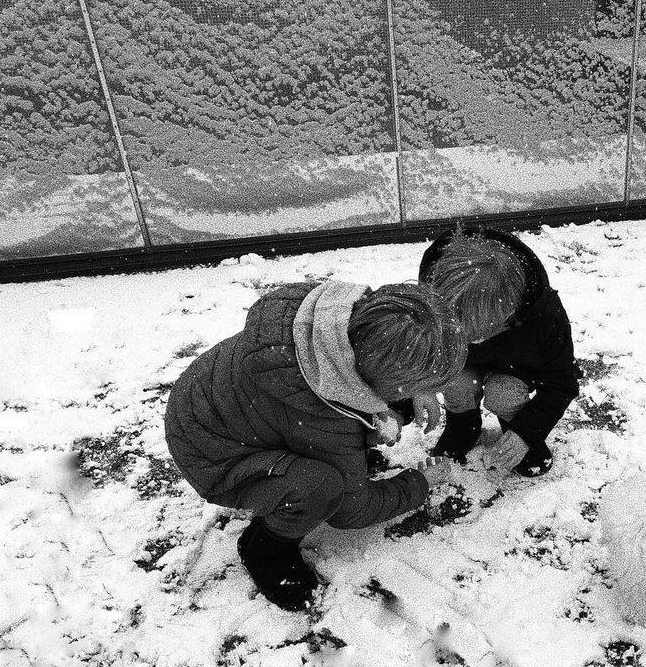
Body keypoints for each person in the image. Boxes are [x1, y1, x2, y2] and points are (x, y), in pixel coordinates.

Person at [164, 280, 465, 611]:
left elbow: (349, 396)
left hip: (226, 410)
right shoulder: (323, 419)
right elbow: (354, 510)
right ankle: (266, 549)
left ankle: (354, 442)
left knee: (357, 439)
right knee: (322, 487)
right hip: (214, 455)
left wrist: (391, 408)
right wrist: (419, 483)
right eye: (413, 387)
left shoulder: (329, 320)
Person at [413, 226, 580, 476]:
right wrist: (420, 386)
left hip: (515, 366)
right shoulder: (435, 298)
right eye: (459, 331)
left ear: (511, 312)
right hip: (462, 366)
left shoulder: (545, 316)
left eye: (481, 332)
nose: (473, 340)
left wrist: (526, 433)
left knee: (503, 393)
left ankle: (512, 424)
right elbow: (418, 346)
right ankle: (463, 425)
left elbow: (562, 384)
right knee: (457, 384)